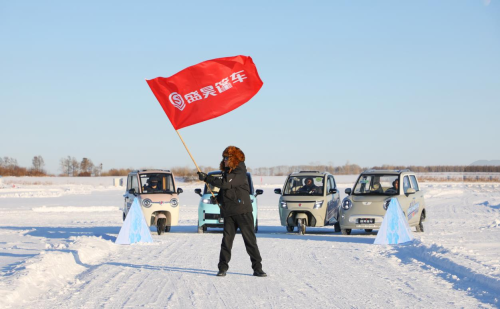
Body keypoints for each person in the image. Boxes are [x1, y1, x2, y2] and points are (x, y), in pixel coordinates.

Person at [198, 146, 266, 278]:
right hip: (229, 212)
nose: (224, 160)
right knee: (226, 241)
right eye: (223, 158)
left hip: (243, 212)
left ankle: (258, 268)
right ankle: (222, 268)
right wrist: (218, 198)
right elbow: (226, 190)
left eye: (226, 158)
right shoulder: (227, 172)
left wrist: (207, 178)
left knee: (250, 241)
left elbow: (225, 184)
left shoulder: (240, 172)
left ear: (233, 159)